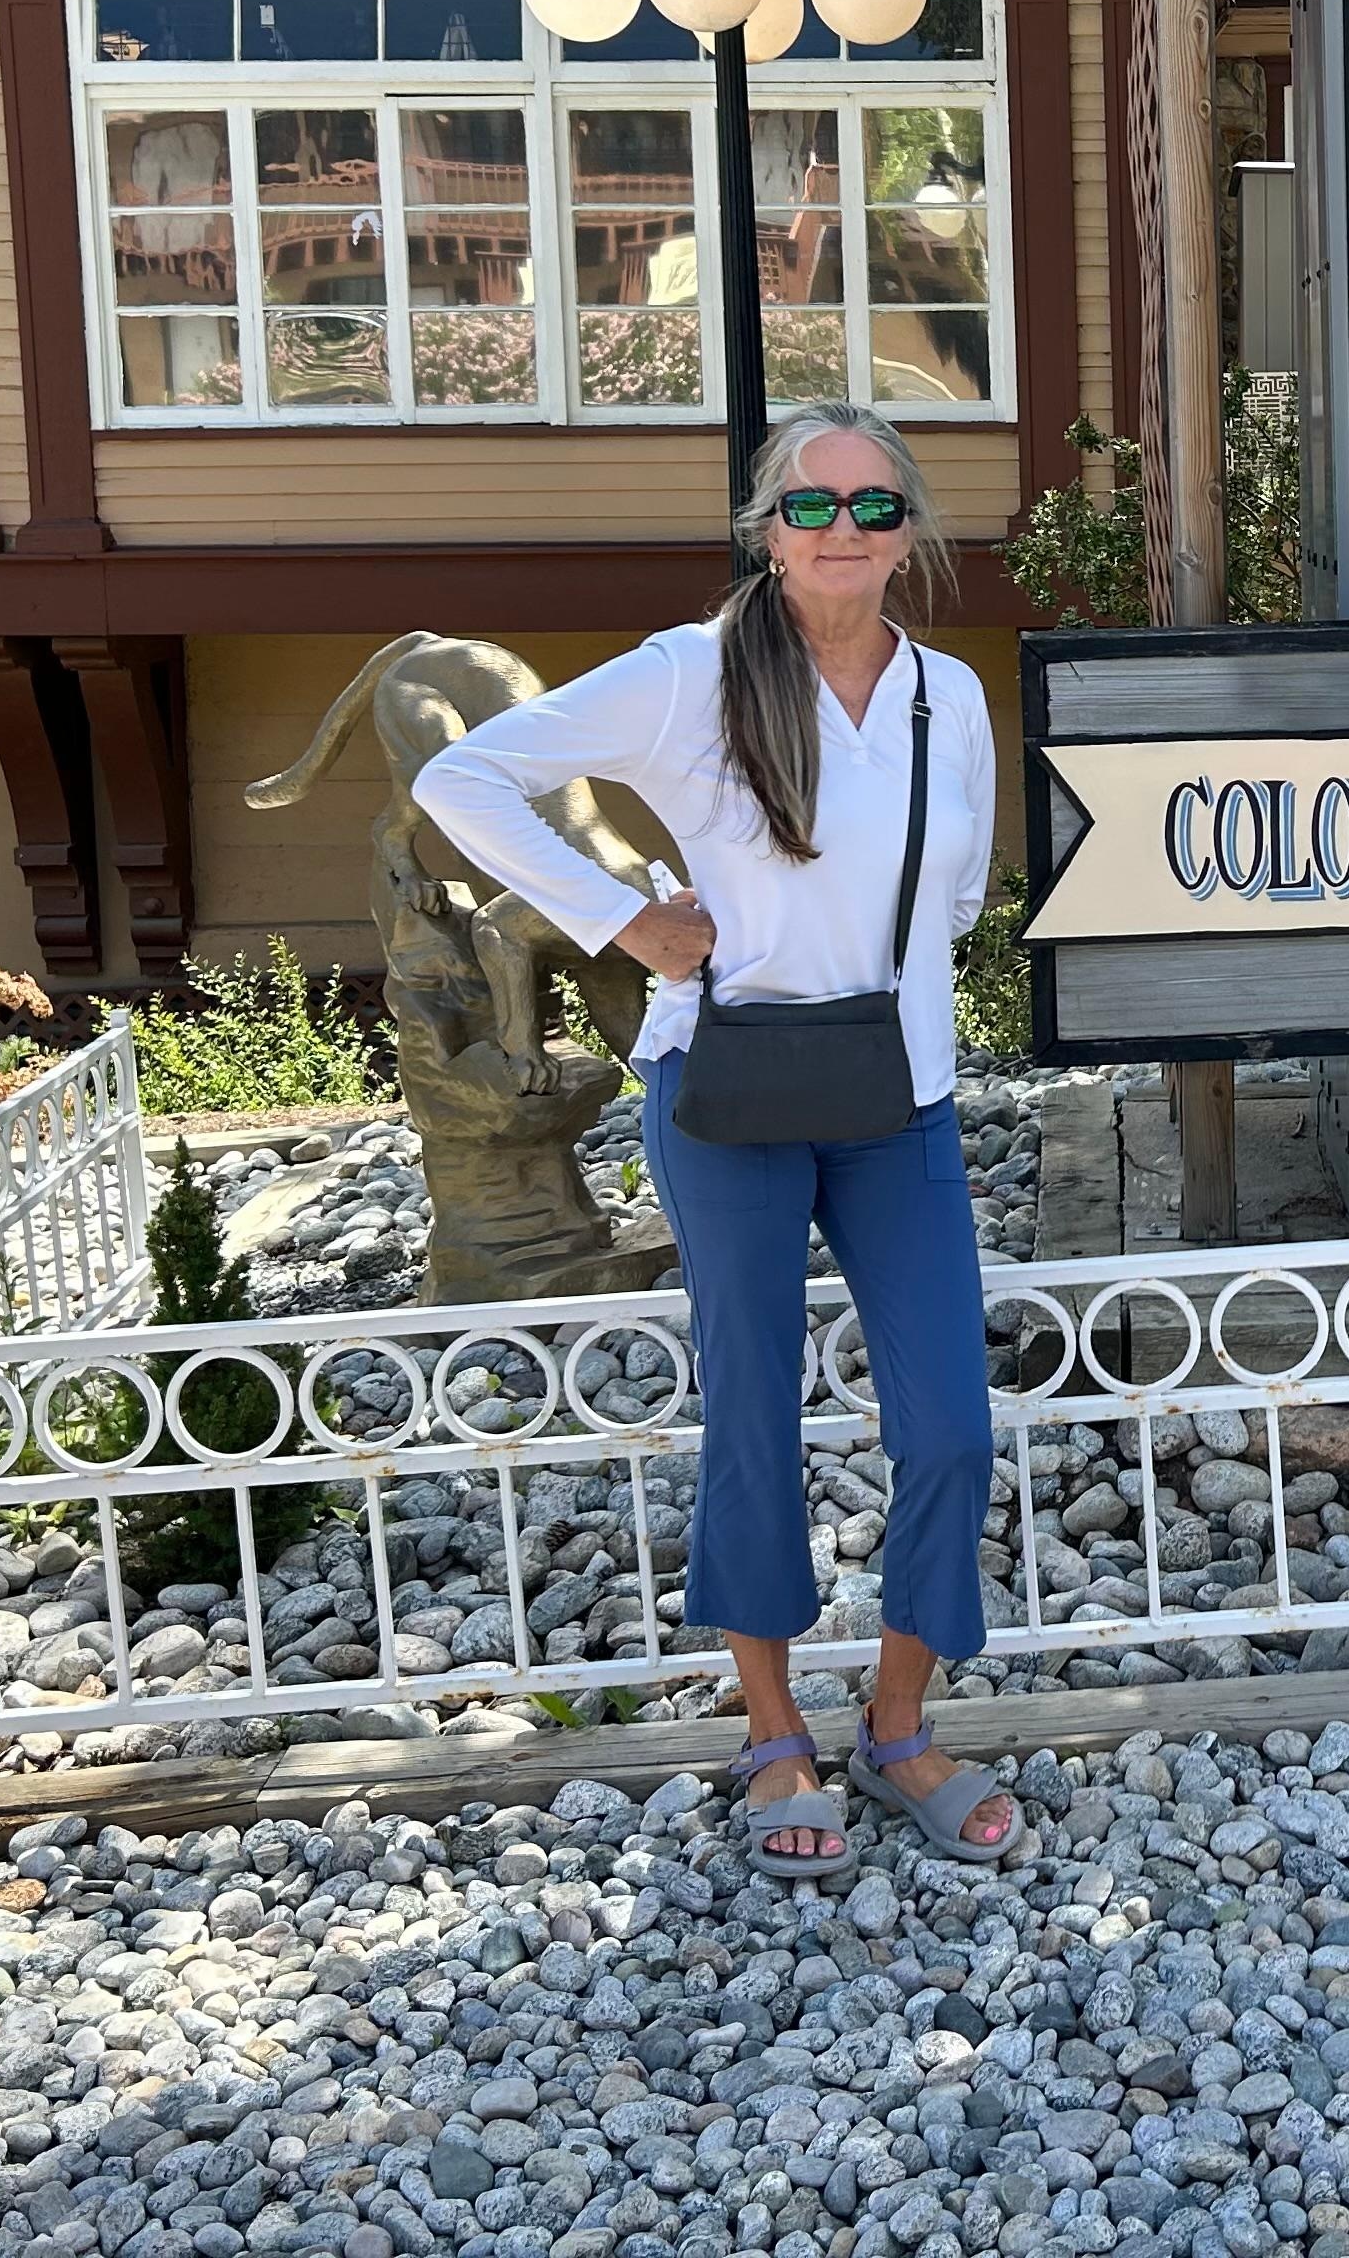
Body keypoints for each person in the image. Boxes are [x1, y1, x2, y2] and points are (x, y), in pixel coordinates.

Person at [413, 400, 1019, 1875]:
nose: (843, 534)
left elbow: (951, 902)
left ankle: (896, 1722)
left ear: (911, 533)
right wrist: (626, 920)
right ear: (765, 528)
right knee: (753, 1409)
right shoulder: (692, 676)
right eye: (814, 507)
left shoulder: (949, 698)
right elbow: (461, 780)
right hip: (727, 1095)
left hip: (899, 1098)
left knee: (948, 1423)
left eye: (876, 509)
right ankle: (769, 1729)